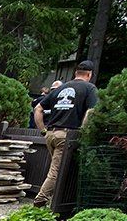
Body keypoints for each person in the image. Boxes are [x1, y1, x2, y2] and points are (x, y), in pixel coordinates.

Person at [32, 61, 98, 206]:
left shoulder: (60, 88)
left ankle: (53, 200)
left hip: (51, 134)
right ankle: (40, 201)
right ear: (89, 74)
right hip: (67, 136)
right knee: (57, 171)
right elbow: (91, 112)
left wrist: (43, 130)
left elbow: (38, 109)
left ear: (76, 73)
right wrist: (83, 131)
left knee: (57, 169)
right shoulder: (89, 88)